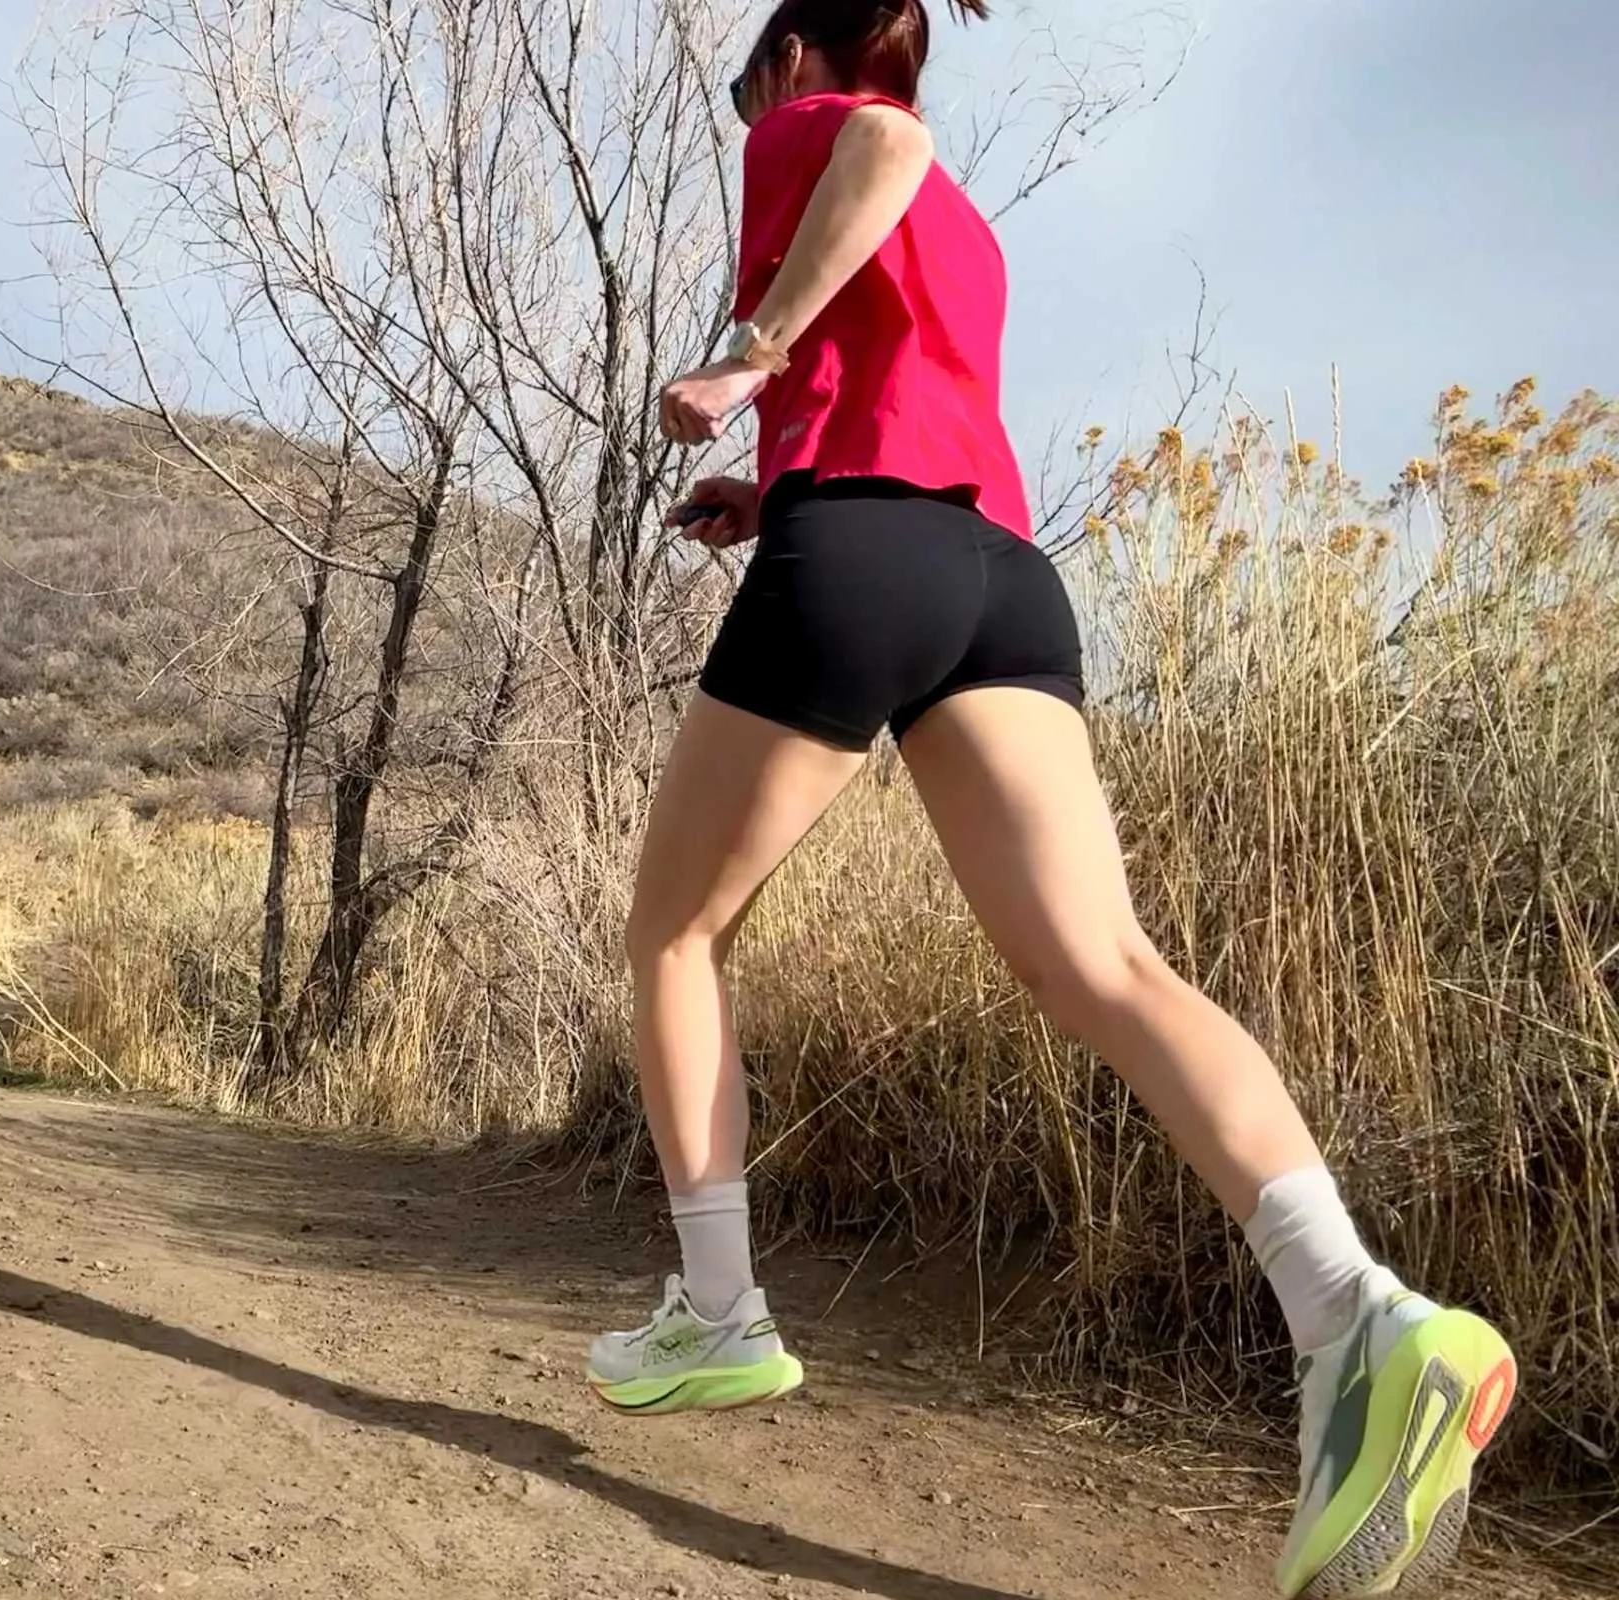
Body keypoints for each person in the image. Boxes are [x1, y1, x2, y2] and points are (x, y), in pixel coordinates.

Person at [581, 3, 1519, 1595]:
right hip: (1002, 580)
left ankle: (722, 1320)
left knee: (674, 933)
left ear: (797, 61)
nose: (748, 119)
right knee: (1113, 967)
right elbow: (908, 377)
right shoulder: (964, 239)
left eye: (751, 87)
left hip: (868, 559)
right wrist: (778, 471)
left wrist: (747, 361)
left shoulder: (825, 127)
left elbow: (887, 142)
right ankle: (1363, 1316)